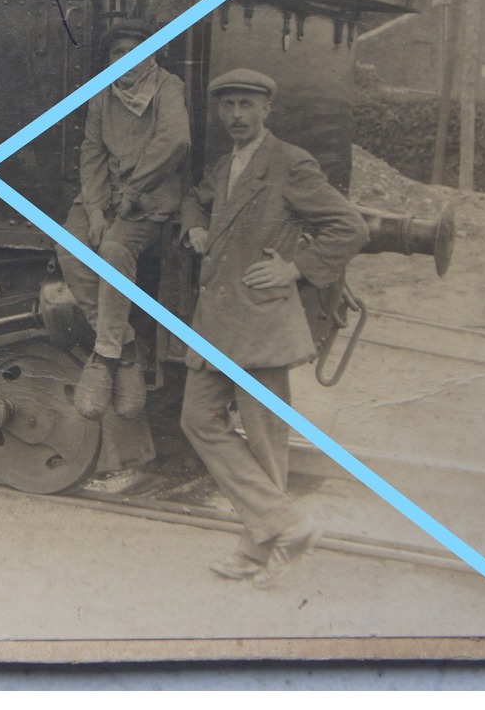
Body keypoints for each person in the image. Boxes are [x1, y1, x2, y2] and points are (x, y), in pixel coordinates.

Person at [179, 68, 368, 587]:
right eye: (228, 106)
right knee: (198, 418)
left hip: (260, 316)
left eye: (246, 105)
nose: (236, 116)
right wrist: (194, 223)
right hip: (218, 321)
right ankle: (283, 523)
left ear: (267, 110)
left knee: (265, 441)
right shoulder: (225, 165)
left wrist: (297, 267)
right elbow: (196, 197)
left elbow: (349, 225)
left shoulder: (289, 163)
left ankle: (257, 548)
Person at [59, 18, 190, 421]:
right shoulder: (103, 94)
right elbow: (92, 153)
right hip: (108, 196)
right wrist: (96, 209)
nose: (126, 60)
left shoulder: (168, 88)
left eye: (135, 51)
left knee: (115, 249)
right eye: (117, 53)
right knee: (70, 244)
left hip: (149, 196)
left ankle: (104, 357)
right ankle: (126, 345)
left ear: (152, 55)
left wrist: (133, 193)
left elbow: (175, 141)